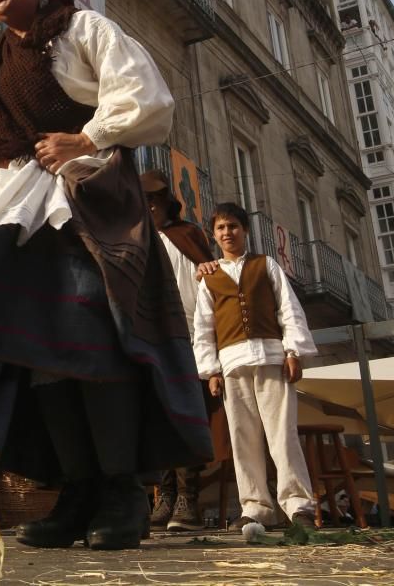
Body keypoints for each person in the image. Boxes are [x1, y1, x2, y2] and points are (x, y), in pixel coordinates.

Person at [0, 0, 213, 551]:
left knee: (92, 340)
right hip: (20, 217)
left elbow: (147, 98)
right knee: (41, 354)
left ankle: (122, 492)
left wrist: (85, 137)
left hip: (88, 204)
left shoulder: (82, 28)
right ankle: (75, 493)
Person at [194, 202, 319, 531]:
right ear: (214, 235)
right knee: (242, 438)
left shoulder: (266, 265)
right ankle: (256, 507)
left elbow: (288, 310)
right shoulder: (209, 278)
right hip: (232, 364)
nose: (227, 233)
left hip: (271, 359)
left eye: (233, 226)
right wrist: (210, 371)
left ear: (245, 230)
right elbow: (204, 328)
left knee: (283, 435)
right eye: (221, 228)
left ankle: (298, 506)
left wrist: (293, 351)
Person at [140, 171, 225, 532]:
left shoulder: (187, 235)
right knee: (158, 417)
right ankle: (165, 496)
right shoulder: (135, 240)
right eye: (145, 202)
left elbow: (210, 287)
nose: (150, 208)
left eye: (156, 201)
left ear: (166, 205)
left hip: (189, 337)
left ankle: (188, 500)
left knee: (188, 415)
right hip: (152, 339)